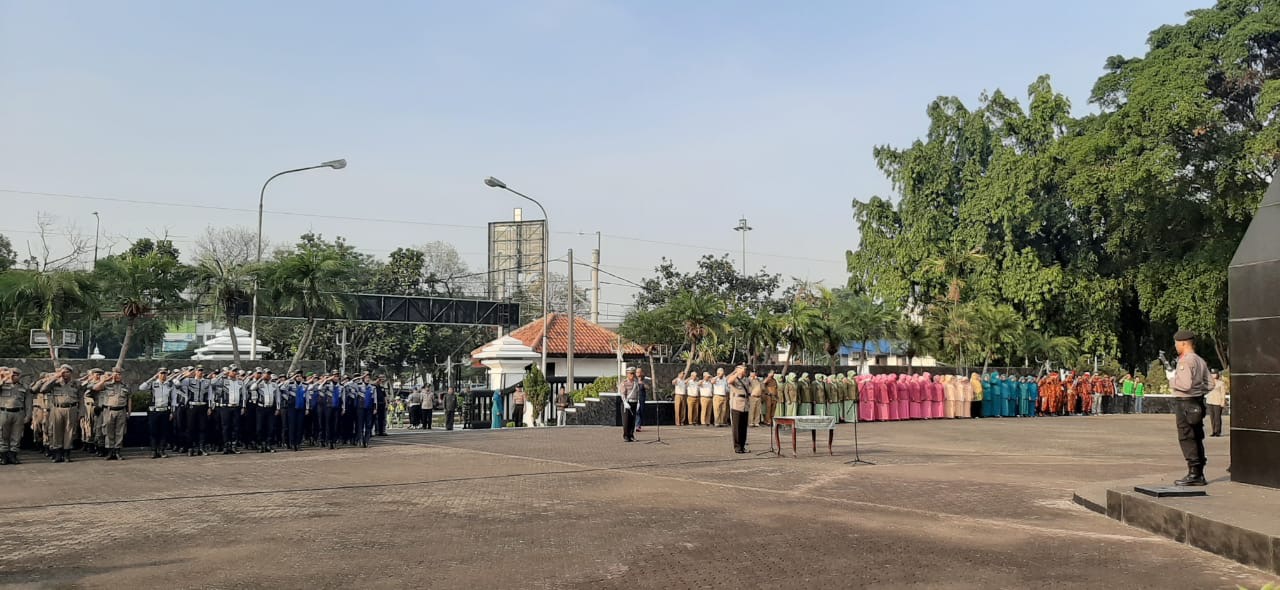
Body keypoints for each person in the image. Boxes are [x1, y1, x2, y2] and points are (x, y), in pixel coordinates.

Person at [1170, 330, 1211, 486]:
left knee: (1186, 437)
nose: (1175, 346)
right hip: (1197, 402)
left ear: (1183, 343)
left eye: (1176, 343)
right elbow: (1210, 384)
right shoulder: (1200, 360)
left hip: (1185, 403)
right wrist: (1198, 393)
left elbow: (1185, 384)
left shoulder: (1185, 361)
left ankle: (1194, 473)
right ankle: (1199, 472)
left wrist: (1171, 381)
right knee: (1196, 436)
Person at [32, 365, 81, 463]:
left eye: (67, 372)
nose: (65, 374)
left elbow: (81, 397)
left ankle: (67, 453)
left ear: (71, 373)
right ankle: (58, 453)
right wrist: (55, 377)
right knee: (56, 430)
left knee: (69, 431)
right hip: (57, 408)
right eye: (63, 372)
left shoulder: (75, 384)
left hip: (71, 408)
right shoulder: (55, 383)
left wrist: (81, 412)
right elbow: (43, 389)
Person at [94, 367, 131, 460]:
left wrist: (129, 412)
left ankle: (117, 451)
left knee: (120, 431)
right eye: (116, 374)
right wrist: (106, 379)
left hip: (121, 410)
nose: (118, 376)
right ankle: (110, 451)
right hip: (109, 410)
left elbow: (129, 399)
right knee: (108, 431)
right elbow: (95, 388)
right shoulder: (107, 385)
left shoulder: (125, 386)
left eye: (119, 374)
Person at [0, 367, 32, 465]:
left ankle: (13, 455)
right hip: (4, 412)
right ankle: (3, 456)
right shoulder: (3, 384)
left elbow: (28, 402)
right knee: (2, 435)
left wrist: (28, 415)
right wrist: (3, 379)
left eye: (17, 375)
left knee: (16, 435)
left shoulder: (24, 387)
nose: (15, 377)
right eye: (13, 375)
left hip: (19, 413)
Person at [621, 367, 648, 442]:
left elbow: (638, 393)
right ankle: (626, 436)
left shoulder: (636, 383)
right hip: (627, 403)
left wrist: (638, 402)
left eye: (633, 373)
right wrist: (625, 402)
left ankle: (631, 435)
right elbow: (622, 394)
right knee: (626, 421)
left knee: (633, 421)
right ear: (627, 374)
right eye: (631, 373)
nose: (632, 375)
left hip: (634, 402)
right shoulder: (624, 382)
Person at [1207, 370, 1226, 437]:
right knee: (1212, 417)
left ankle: (1218, 431)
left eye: (1214, 374)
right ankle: (1213, 431)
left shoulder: (1221, 383)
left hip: (1217, 401)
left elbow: (1223, 393)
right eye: (1212, 374)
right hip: (1210, 401)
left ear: (1217, 374)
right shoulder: (1209, 383)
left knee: (1217, 417)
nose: (1213, 375)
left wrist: (1223, 402)